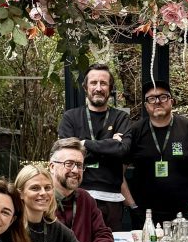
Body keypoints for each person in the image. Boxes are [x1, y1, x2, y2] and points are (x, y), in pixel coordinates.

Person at [57, 63, 133, 229]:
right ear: (85, 87)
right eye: (93, 83)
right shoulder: (71, 117)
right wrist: (110, 144)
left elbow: (123, 150)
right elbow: (68, 155)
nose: (98, 88)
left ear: (110, 88)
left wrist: (84, 144)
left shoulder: (121, 118)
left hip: (112, 201)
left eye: (103, 83)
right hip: (77, 197)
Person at [127, 81, 188, 226]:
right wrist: (132, 206)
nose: (157, 101)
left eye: (163, 97)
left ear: (171, 101)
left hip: (185, 214)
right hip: (145, 217)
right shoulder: (135, 131)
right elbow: (118, 170)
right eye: (151, 98)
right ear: (146, 105)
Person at [47, 138, 116, 242]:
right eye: (69, 164)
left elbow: (105, 238)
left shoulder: (85, 199)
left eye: (79, 165)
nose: (75, 170)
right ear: (52, 167)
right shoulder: (41, 201)